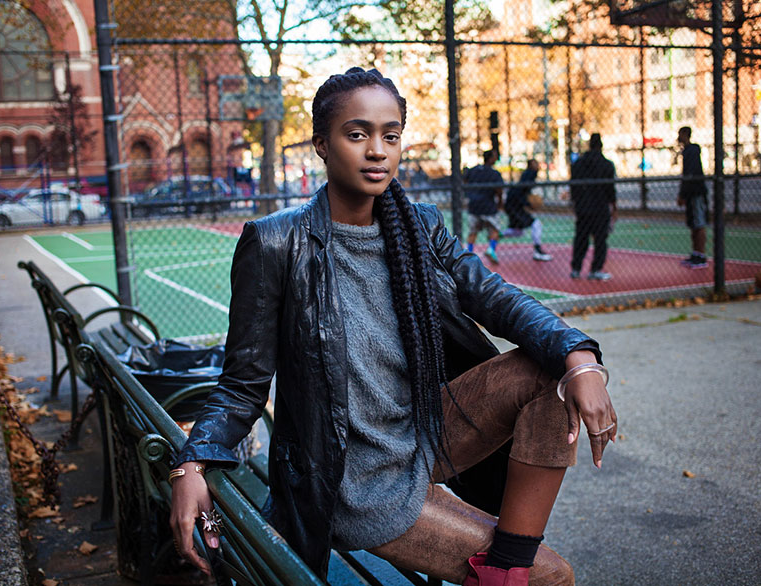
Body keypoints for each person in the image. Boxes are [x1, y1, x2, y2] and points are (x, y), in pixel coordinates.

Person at [169, 68, 617, 586]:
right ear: (322, 143)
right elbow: (242, 385)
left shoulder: (419, 227)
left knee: (550, 369)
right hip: (351, 479)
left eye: (391, 135)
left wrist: (580, 357)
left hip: (422, 434)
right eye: (357, 134)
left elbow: (497, 298)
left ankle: (503, 569)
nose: (377, 150)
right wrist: (192, 463)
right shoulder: (275, 244)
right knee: (555, 576)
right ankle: (510, 572)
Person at [569, 133, 616, 281]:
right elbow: (610, 188)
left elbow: (573, 186)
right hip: (600, 207)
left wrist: (575, 202)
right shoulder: (606, 165)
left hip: (583, 207)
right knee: (600, 239)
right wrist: (614, 205)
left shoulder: (578, 164)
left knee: (581, 238)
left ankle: (576, 268)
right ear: (601, 145)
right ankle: (595, 269)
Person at [504, 159, 552, 262]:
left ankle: (497, 234)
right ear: (530, 165)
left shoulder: (530, 174)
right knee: (536, 224)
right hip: (514, 205)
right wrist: (528, 204)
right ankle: (538, 251)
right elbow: (520, 192)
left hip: (513, 205)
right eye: (535, 163)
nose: (538, 165)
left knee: (518, 231)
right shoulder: (530, 174)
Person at [676, 126, 709, 269]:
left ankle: (701, 256)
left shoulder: (693, 151)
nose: (679, 137)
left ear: (685, 134)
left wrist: (683, 193)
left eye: (680, 134)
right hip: (691, 194)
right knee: (693, 224)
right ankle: (696, 253)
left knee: (699, 223)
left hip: (696, 193)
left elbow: (690, 175)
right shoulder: (687, 152)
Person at [464, 149, 504, 263]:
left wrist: (470, 194)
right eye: (495, 156)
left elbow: (465, 181)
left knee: (473, 231)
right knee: (495, 229)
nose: (496, 158)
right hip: (488, 206)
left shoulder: (474, 170)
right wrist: (500, 203)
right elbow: (499, 190)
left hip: (474, 206)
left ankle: (469, 253)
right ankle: (491, 249)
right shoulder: (494, 173)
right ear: (490, 158)